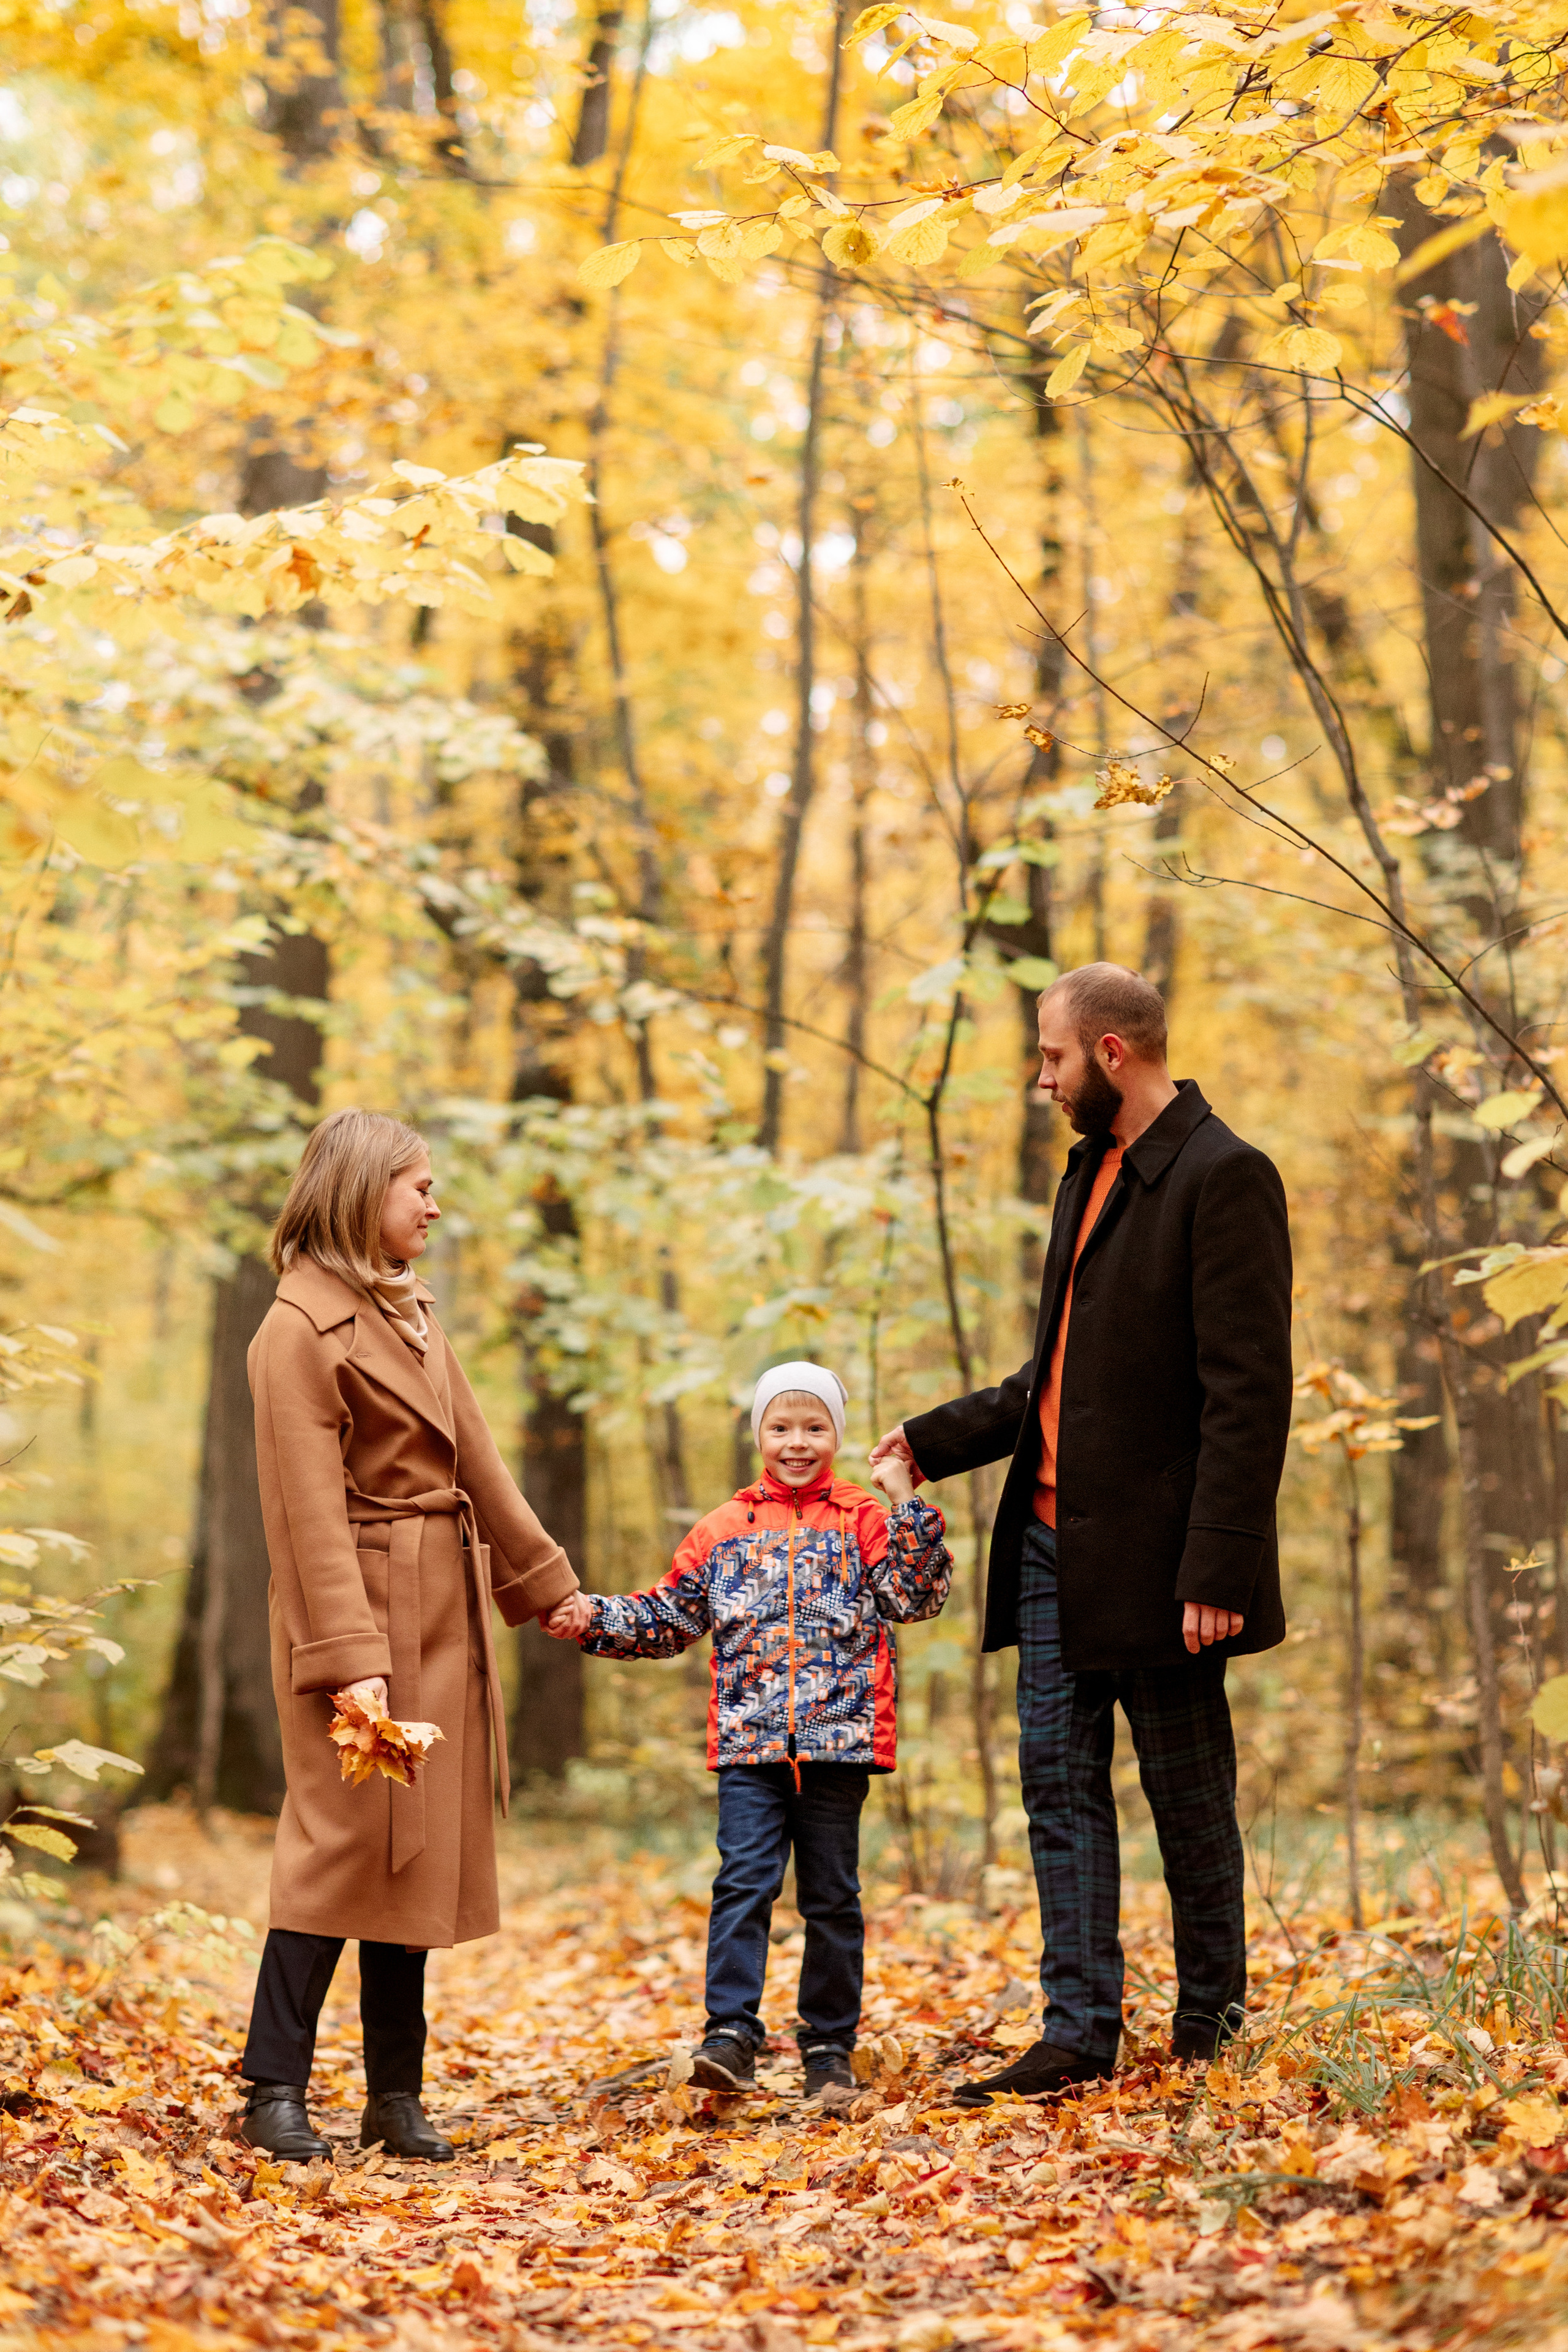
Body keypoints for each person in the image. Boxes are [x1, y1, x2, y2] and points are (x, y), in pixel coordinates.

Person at [870, 963, 1292, 2105]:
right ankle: (1078, 2032)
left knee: (1187, 1792)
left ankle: (1211, 2022)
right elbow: (1053, 1377)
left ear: (1113, 1052)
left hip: (1165, 1568)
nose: (1040, 1079)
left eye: (1053, 1057)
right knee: (1057, 1786)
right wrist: (929, 1438)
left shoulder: (1225, 1174)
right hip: (1055, 1548)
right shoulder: (1086, 1175)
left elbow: (1249, 1398)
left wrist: (1219, 1566)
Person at [236, 1108, 580, 2163]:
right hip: (355, 1611)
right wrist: (353, 1665)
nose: (434, 1203)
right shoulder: (294, 1331)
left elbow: (476, 1455)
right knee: (338, 1848)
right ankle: (272, 2090)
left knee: (411, 1853)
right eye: (416, 1185)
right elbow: (305, 1515)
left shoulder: (412, 1310)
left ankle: (396, 2097)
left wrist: (544, 1586)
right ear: (357, 1191)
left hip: (442, 1608)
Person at [545, 1361, 952, 2098]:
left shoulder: (861, 1517)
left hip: (839, 1742)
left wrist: (904, 1500)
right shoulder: (723, 1530)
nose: (797, 1443)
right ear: (758, 1433)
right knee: (743, 1883)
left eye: (814, 1427)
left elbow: (915, 1596)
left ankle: (827, 2049)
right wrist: (592, 1618)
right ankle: (729, 2037)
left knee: (831, 1895)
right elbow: (669, 1617)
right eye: (781, 1427)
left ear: (835, 1433)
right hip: (750, 1745)